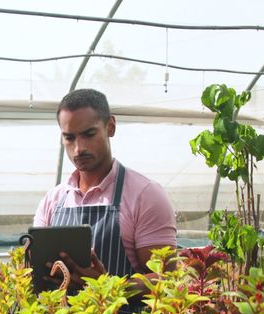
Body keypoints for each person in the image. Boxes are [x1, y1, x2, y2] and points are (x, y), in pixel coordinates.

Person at [33, 88, 176, 289]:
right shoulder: (54, 199)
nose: (78, 148)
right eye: (69, 138)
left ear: (110, 127)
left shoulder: (145, 195)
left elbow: (169, 279)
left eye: (88, 134)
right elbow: (32, 270)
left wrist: (107, 286)